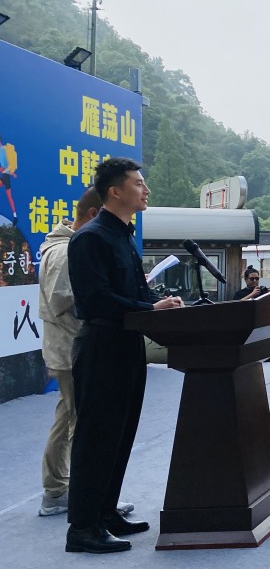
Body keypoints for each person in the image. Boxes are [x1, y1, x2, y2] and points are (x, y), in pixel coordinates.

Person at [65, 158, 184, 553]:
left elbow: (133, 293)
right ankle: (82, 528)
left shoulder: (123, 235)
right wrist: (149, 309)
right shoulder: (91, 237)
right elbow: (94, 300)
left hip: (127, 345)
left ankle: (105, 512)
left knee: (120, 434)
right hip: (101, 346)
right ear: (115, 191)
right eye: (138, 183)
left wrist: (159, 303)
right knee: (96, 437)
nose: (145, 190)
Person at [37, 188, 133, 518]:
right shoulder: (66, 251)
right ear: (94, 215)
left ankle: (60, 491)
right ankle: (81, 495)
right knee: (83, 424)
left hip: (70, 346)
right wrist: (106, 294)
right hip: (71, 348)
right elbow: (61, 299)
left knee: (69, 418)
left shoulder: (69, 246)